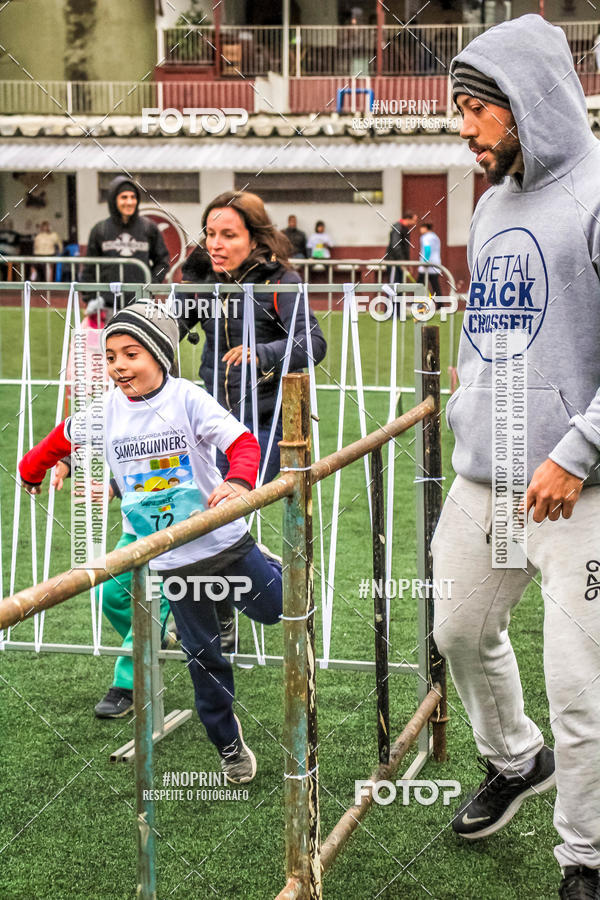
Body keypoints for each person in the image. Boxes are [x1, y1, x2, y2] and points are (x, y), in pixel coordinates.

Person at [433, 15, 600, 899]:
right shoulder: (493, 201)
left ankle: (585, 858)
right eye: (458, 109)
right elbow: (490, 325)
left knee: (580, 686)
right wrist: (470, 400)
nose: (464, 128)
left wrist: (576, 451)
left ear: (526, 105)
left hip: (580, 489)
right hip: (485, 474)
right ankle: (513, 759)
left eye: (474, 110)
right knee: (458, 628)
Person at [18, 300, 283, 783]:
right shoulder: (104, 412)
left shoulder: (186, 398)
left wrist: (241, 484)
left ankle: (268, 564)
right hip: (173, 561)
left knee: (274, 610)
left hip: (223, 540)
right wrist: (30, 469)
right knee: (204, 659)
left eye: (131, 353)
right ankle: (228, 745)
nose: (120, 365)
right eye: (112, 355)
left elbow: (243, 443)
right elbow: (59, 439)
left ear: (160, 354)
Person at [180, 191, 327, 485]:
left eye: (229, 235)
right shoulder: (204, 282)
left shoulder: (282, 281)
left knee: (227, 505)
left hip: (268, 422)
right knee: (204, 509)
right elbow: (170, 327)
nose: (215, 244)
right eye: (210, 234)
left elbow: (313, 342)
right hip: (215, 419)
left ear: (255, 239)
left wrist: (262, 353)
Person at [51, 458, 174, 718]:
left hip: (182, 519)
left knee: (154, 596)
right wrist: (67, 461)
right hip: (138, 524)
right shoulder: (123, 416)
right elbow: (104, 430)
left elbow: (167, 455)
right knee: (106, 592)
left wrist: (115, 485)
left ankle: (129, 684)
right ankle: (155, 640)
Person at [80, 176, 169, 317]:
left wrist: (150, 286)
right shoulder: (100, 230)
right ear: (114, 200)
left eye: (133, 197)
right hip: (108, 305)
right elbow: (89, 268)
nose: (129, 202)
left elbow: (163, 261)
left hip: (140, 305)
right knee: (107, 339)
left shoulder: (148, 228)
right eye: (124, 197)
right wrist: (91, 298)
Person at [385, 210, 418, 283]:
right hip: (393, 261)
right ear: (408, 219)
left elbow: (405, 248)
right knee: (393, 287)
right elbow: (395, 245)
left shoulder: (405, 229)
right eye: (414, 221)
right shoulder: (398, 227)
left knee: (400, 287)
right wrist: (402, 261)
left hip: (400, 263)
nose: (415, 223)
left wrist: (407, 263)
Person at [417, 222, 441, 297]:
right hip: (436, 263)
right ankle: (440, 304)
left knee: (419, 285)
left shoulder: (425, 237)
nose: (420, 230)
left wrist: (425, 261)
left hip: (426, 264)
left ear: (425, 228)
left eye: (421, 227)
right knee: (435, 285)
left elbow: (427, 249)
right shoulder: (435, 237)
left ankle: (416, 302)